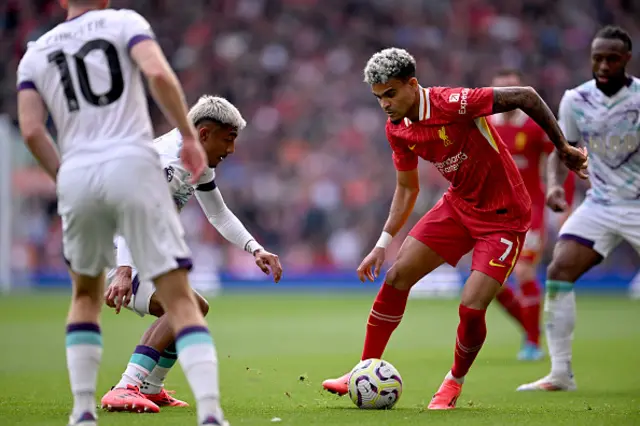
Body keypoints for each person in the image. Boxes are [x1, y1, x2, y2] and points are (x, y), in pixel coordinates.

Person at [321, 47, 588, 409]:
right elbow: (407, 188)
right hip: (458, 206)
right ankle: (361, 370)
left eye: (390, 93)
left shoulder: (453, 102)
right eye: (378, 97)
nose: (384, 104)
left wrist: (564, 147)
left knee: (471, 307)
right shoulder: (397, 129)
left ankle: (453, 382)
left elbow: (526, 96)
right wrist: (383, 242)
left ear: (412, 85)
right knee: (397, 275)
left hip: (504, 217)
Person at [16, 1, 227, 424]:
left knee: (84, 297)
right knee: (183, 299)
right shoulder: (125, 23)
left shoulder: (35, 52)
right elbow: (158, 75)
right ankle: (210, 414)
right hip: (130, 164)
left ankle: (82, 411)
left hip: (77, 170)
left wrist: (64, 176)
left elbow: (32, 130)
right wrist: (187, 134)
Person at [100, 95, 282, 412]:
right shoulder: (165, 163)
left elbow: (218, 214)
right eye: (228, 139)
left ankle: (152, 388)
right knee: (183, 307)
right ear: (204, 133)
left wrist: (255, 248)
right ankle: (126, 386)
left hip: (139, 252)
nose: (231, 150)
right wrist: (124, 271)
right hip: (115, 253)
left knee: (195, 307)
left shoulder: (193, 160)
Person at [518, 25, 639, 392]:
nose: (603, 65)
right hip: (600, 204)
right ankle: (560, 373)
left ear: (626, 60)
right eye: (597, 58)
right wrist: (554, 185)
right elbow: (563, 149)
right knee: (558, 270)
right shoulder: (576, 100)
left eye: (611, 59)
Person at [488, 69, 576, 361]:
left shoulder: (536, 126)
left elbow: (563, 157)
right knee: (491, 285)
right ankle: (530, 329)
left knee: (524, 272)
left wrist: (565, 201)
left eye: (512, 90)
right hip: (492, 213)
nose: (507, 98)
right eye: (501, 92)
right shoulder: (485, 124)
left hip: (530, 210)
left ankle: (533, 343)